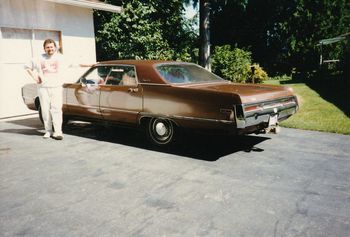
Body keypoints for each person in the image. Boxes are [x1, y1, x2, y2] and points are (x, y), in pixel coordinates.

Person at [25, 39, 66, 140]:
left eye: (51, 47)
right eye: (47, 47)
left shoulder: (61, 58)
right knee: (45, 110)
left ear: (55, 48)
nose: (50, 49)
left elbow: (75, 64)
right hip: (43, 88)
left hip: (56, 87)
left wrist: (91, 64)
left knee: (57, 109)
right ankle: (48, 131)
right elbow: (27, 67)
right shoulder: (38, 58)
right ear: (44, 48)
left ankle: (58, 132)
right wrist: (34, 77)